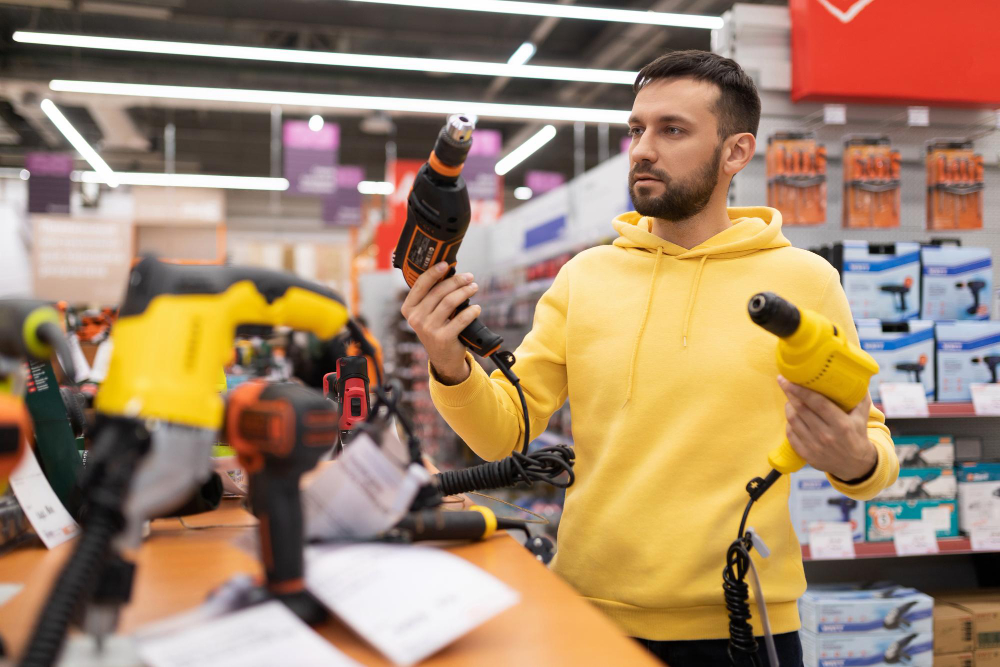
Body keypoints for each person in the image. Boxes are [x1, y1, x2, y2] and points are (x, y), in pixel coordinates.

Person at [400, 50, 898, 667]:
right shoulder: (585, 276)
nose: (642, 149)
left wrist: (853, 458)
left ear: (736, 153)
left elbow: (871, 448)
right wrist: (447, 359)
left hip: (746, 622)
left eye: (673, 130)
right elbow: (507, 432)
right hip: (587, 614)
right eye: (637, 129)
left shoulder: (804, 281)